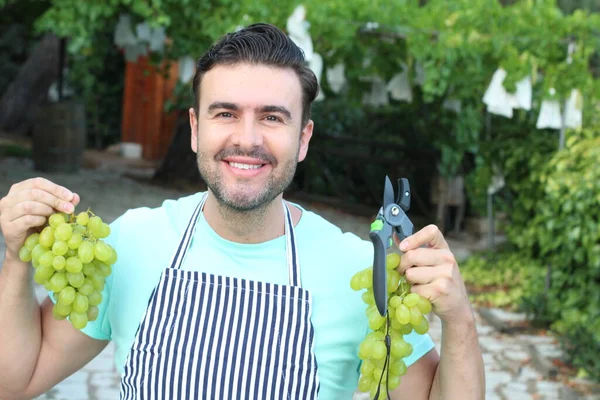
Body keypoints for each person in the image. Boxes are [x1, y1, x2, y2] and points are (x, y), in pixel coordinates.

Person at [0, 23, 485, 399]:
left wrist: (459, 321)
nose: (247, 139)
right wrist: (17, 260)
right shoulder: (129, 243)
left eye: (272, 117)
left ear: (303, 139)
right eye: (225, 113)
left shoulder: (358, 270)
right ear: (194, 128)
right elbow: (17, 380)